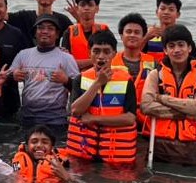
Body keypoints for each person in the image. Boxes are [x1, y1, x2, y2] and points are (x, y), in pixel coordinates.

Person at [140, 24, 196, 166]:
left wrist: (162, 98)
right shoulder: (155, 75)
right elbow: (146, 105)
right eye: (171, 46)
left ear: (189, 48)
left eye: (181, 45)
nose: (177, 50)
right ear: (165, 50)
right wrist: (184, 112)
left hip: (194, 150)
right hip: (160, 149)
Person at [66, 30, 139, 164]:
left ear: (114, 54)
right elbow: (76, 111)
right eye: (96, 51)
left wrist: (94, 118)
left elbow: (129, 118)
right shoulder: (79, 79)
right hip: (84, 151)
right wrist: (98, 83)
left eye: (106, 52)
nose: (101, 56)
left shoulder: (127, 82)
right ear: (89, 53)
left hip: (115, 153)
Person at [10, 14, 80, 131]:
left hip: (56, 119)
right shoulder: (23, 55)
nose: (45, 31)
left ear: (57, 34)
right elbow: (4, 78)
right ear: (35, 32)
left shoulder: (66, 58)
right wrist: (13, 75)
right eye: (41, 28)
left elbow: (79, 89)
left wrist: (66, 80)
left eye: (50, 28)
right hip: (27, 118)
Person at [112, 13, 155, 129]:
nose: (132, 35)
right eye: (128, 31)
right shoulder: (110, 62)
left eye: (137, 32)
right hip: (117, 119)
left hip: (146, 120)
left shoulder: (153, 64)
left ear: (143, 36)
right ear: (121, 35)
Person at [61, 0, 109, 70]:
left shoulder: (104, 30)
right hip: (76, 77)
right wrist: (94, 61)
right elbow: (66, 62)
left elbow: (111, 58)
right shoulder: (69, 32)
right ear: (77, 9)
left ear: (97, 8)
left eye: (90, 5)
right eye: (83, 5)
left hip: (100, 75)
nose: (86, 8)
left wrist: (80, 63)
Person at [143, 0, 183, 65]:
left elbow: (192, 60)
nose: (166, 12)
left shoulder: (183, 35)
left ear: (178, 14)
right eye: (162, 9)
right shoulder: (148, 33)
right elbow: (133, 55)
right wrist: (146, 38)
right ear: (156, 12)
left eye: (171, 9)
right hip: (149, 73)